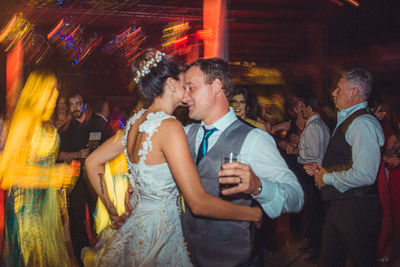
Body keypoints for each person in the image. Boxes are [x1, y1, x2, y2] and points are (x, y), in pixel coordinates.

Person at [81, 50, 263, 266]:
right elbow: (198, 203)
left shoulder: (134, 122)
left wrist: (111, 210)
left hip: (137, 228)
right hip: (160, 236)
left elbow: (92, 162)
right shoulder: (169, 127)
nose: (189, 92)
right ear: (170, 84)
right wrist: (253, 214)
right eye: (185, 84)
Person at [181, 58, 304, 267]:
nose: (185, 98)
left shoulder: (254, 139)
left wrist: (258, 186)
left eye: (190, 88)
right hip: (186, 257)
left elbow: (296, 196)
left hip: (232, 258)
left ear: (217, 86)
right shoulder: (184, 134)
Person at [308, 67, 384, 266]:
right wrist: (325, 168)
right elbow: (347, 160)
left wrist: (326, 177)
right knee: (329, 260)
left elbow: (365, 174)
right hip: (342, 205)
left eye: (339, 88)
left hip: (358, 208)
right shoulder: (351, 121)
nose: (333, 93)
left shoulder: (363, 124)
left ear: (355, 92)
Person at [0, 71, 76, 266]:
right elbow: (5, 174)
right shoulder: (26, 118)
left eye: (56, 91)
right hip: (27, 210)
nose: (56, 95)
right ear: (37, 90)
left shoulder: (47, 122)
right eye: (50, 90)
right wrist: (50, 175)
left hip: (45, 206)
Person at [287, 94, 330, 263]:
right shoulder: (320, 125)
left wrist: (295, 150)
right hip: (316, 173)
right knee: (315, 212)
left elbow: (310, 154)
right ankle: (314, 244)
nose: (301, 110)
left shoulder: (313, 127)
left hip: (312, 173)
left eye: (302, 107)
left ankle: (317, 249)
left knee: (315, 213)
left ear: (308, 107)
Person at [57, 92, 93, 265]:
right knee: (76, 222)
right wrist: (77, 154)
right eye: (71, 104)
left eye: (78, 103)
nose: (75, 107)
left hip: (90, 181)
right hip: (73, 181)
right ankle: (81, 258)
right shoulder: (65, 130)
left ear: (83, 105)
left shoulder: (89, 126)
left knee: (89, 221)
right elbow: (57, 154)